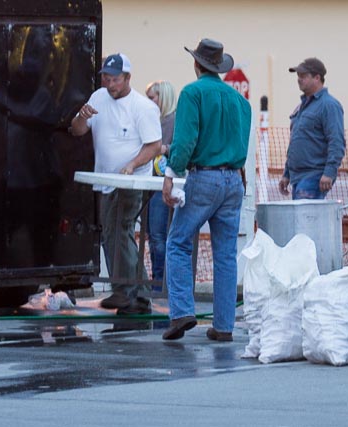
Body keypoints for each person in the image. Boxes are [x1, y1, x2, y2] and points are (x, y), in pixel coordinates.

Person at [161, 38, 251, 341]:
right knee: (226, 254)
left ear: (196, 63)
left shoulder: (192, 93)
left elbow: (185, 140)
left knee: (178, 242)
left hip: (205, 177)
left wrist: (171, 174)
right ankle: (224, 326)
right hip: (233, 179)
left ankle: (182, 312)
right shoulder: (241, 101)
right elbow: (242, 145)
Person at [70, 53, 162, 314]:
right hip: (106, 179)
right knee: (115, 233)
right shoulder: (98, 98)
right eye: (107, 78)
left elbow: (154, 145)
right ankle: (139, 294)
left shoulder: (142, 107)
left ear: (128, 78)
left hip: (132, 181)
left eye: (115, 80)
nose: (110, 84)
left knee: (118, 230)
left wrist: (132, 164)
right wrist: (80, 117)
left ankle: (124, 290)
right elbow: (77, 130)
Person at [278, 57, 345, 199]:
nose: (299, 79)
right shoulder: (303, 107)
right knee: (301, 220)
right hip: (299, 177)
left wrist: (329, 173)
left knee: (305, 220)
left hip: (314, 176)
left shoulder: (329, 105)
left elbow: (336, 141)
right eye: (298, 76)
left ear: (317, 78)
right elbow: (295, 142)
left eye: (303, 76)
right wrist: (287, 174)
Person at [145, 80, 177, 283]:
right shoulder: (155, 121)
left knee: (158, 236)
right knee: (153, 236)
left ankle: (161, 282)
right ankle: (159, 280)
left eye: (151, 98)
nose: (148, 102)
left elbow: (181, 149)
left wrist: (165, 149)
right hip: (151, 183)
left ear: (162, 98)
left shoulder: (173, 122)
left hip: (163, 184)